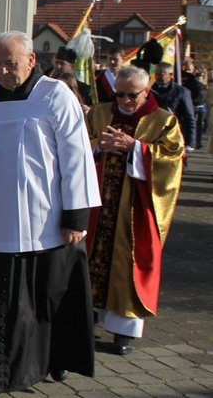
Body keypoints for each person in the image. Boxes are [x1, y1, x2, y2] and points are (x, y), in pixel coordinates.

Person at [0, 31, 101, 394]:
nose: (4, 71)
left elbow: (77, 158)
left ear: (31, 60)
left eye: (12, 63)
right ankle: (5, 371)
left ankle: (54, 361)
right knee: (5, 306)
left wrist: (76, 217)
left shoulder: (55, 96)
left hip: (47, 222)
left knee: (46, 300)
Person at [85, 66, 184, 356]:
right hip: (97, 203)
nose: (125, 101)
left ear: (147, 91)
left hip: (135, 209)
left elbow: (173, 161)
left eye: (132, 95)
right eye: (120, 94)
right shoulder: (100, 113)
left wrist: (137, 149)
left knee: (128, 265)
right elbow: (78, 144)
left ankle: (123, 330)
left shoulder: (163, 121)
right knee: (91, 256)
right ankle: (86, 315)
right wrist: (97, 147)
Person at [150, 62, 196, 151]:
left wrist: (190, 143)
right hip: (153, 135)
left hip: (174, 134)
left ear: (170, 75)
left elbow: (189, 118)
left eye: (161, 74)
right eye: (156, 74)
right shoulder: (149, 91)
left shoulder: (181, 92)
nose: (158, 77)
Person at [181, 58, 206, 149]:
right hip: (178, 110)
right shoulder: (178, 79)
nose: (187, 72)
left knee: (192, 126)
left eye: (189, 70)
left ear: (193, 70)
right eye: (185, 69)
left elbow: (201, 95)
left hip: (191, 108)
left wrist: (192, 103)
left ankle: (192, 143)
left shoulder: (195, 82)